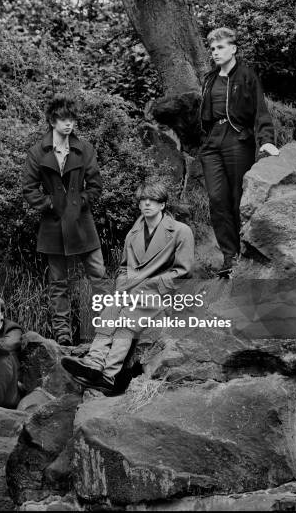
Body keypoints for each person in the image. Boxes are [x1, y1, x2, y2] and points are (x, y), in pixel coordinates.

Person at [61, 180, 195, 394]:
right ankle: (96, 364)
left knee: (128, 313)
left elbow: (183, 272)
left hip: (162, 295)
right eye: (143, 200)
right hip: (132, 292)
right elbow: (123, 268)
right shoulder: (133, 234)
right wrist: (123, 286)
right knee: (111, 308)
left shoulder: (181, 231)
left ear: (163, 205)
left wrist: (150, 285)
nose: (147, 204)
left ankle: (108, 374)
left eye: (153, 200)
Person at [23, 94, 108, 346]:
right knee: (58, 282)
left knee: (98, 274)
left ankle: (106, 326)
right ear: (52, 121)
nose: (69, 124)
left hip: (82, 221)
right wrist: (51, 204)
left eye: (72, 119)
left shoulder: (85, 149)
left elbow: (95, 185)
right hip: (53, 223)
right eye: (63, 119)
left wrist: (80, 202)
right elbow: (29, 189)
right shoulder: (38, 152)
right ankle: (63, 335)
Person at [199, 27, 279, 278]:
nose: (215, 52)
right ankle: (229, 257)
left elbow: (260, 110)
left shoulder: (246, 75)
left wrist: (265, 139)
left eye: (220, 47)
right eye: (212, 48)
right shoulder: (210, 79)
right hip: (213, 142)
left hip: (238, 139)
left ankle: (245, 252)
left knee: (236, 198)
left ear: (233, 49)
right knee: (216, 198)